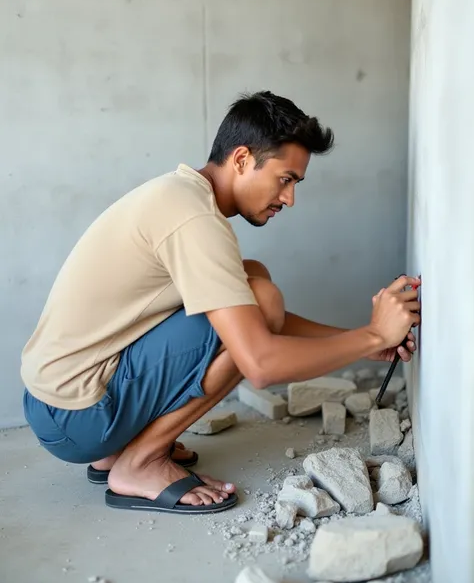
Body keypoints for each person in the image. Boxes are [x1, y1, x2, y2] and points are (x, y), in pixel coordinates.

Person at [21, 91, 421, 515]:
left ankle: (118, 449)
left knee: (252, 278)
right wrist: (374, 333)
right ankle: (139, 463)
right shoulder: (194, 218)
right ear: (243, 159)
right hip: (75, 416)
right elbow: (261, 364)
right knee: (259, 298)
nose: (290, 198)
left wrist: (360, 339)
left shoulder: (181, 195)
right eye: (285, 179)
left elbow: (256, 318)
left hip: (57, 401)